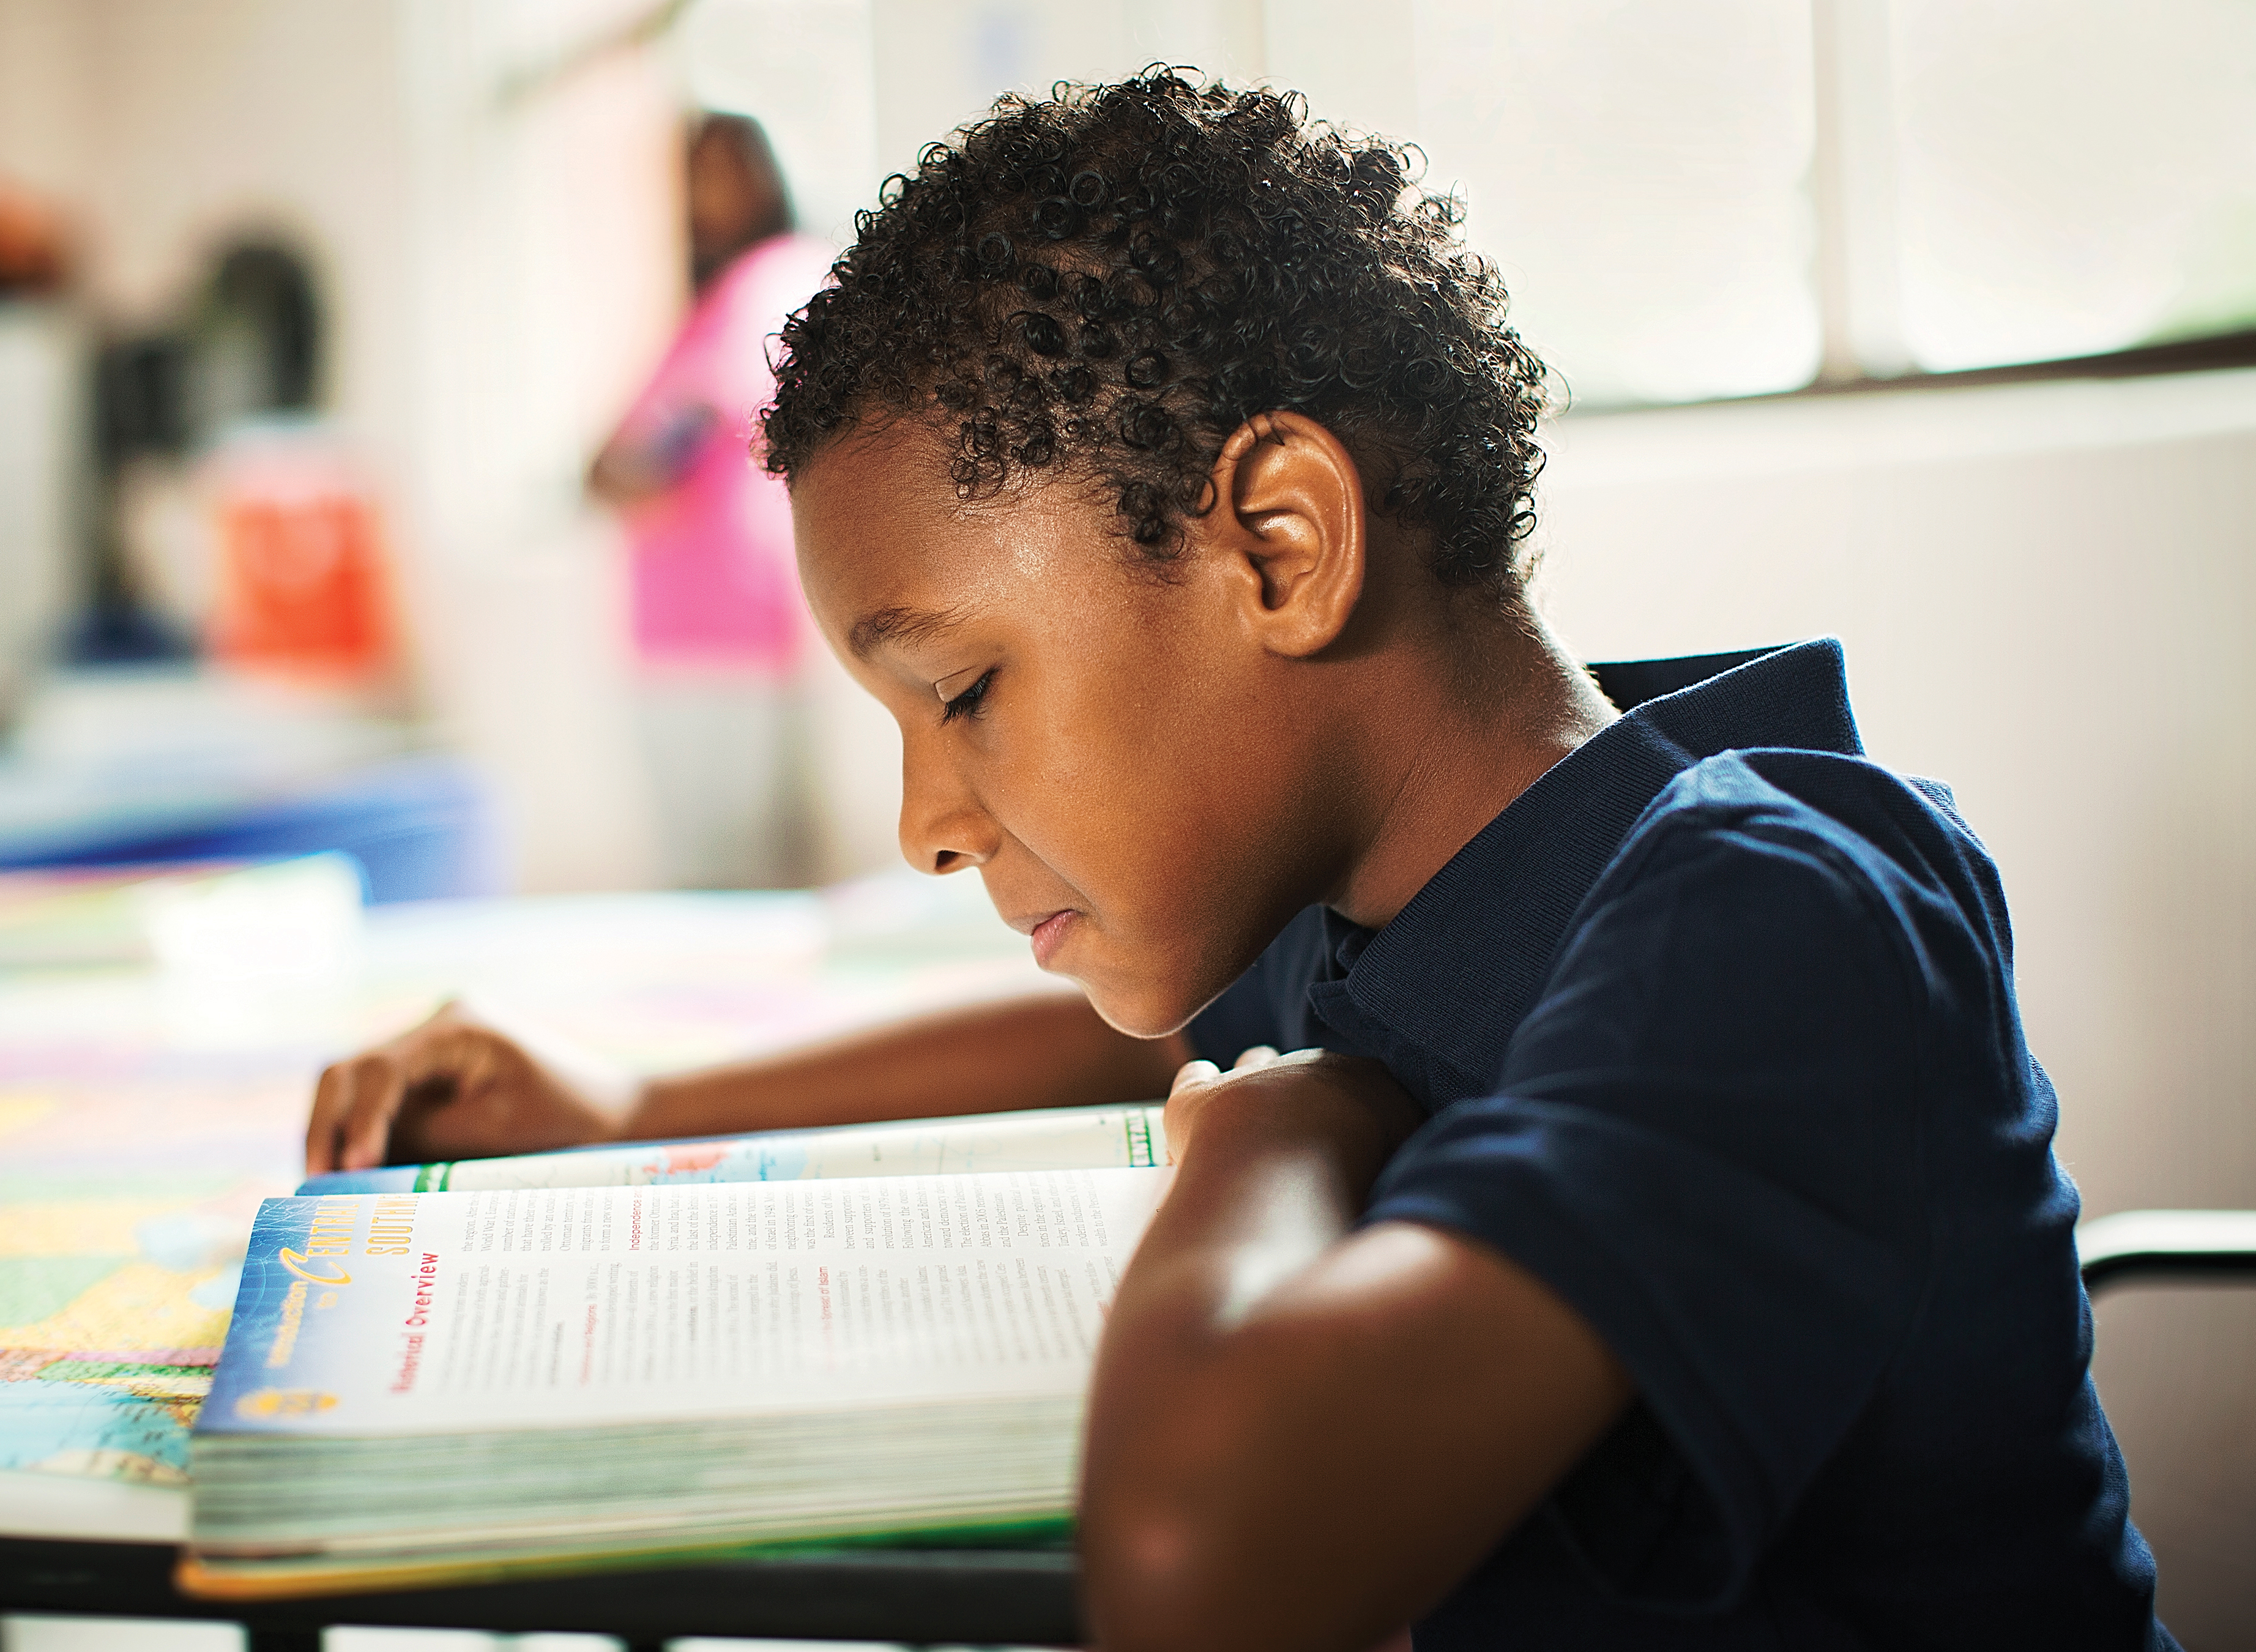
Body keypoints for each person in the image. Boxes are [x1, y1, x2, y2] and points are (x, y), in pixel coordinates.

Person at [311, 73, 2173, 1651]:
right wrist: (627, 1099)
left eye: (963, 690)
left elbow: (1206, 1570)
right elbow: (1126, 1040)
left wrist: (1277, 1143)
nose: (926, 823)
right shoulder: (1394, 904)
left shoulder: (1790, 913)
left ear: (1282, 548)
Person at [588, 112, 835, 886]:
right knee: (708, 885)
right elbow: (600, 468)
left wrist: (629, 469)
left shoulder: (778, 275)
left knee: (742, 895)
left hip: (735, 632)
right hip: (671, 643)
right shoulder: (697, 307)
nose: (703, 185)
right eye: (690, 166)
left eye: (721, 163)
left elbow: (667, 446)